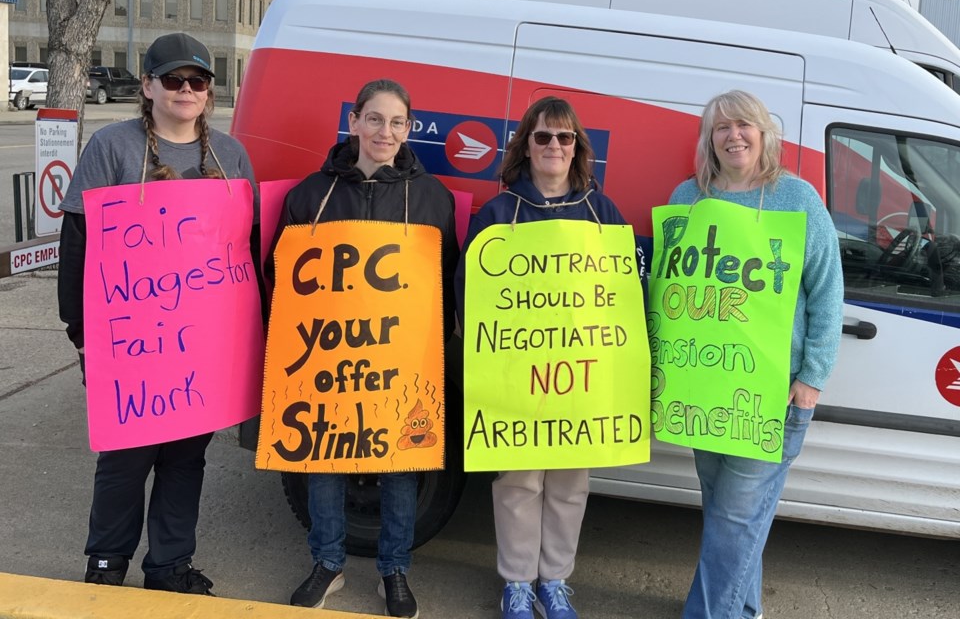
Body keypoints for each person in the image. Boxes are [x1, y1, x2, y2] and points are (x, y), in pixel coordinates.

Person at [57, 32, 259, 595]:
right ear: (147, 86)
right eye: (173, 80)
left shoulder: (230, 155)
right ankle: (106, 563)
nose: (186, 90)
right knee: (125, 459)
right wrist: (79, 332)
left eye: (197, 81)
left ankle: (169, 565)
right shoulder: (113, 147)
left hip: (201, 345)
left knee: (186, 459)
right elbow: (77, 240)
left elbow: (247, 249)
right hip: (128, 343)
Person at [274, 78, 458, 618]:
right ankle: (327, 563)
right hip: (327, 359)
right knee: (324, 461)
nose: (385, 131)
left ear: (408, 129)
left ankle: (394, 571)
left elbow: (446, 280)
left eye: (397, 122)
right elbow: (281, 277)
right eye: (374, 119)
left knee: (401, 466)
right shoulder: (311, 194)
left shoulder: (431, 197)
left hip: (400, 360)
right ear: (353, 122)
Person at [668, 90, 844, 619]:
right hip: (702, 386)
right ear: (708, 140)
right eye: (720, 127)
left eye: (744, 124)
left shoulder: (797, 199)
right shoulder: (688, 197)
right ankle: (743, 609)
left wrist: (812, 376)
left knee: (736, 519)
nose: (733, 135)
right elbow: (670, 290)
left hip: (771, 391)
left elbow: (828, 291)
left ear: (765, 133)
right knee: (724, 513)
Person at [456, 97, 633, 619]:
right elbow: (470, 294)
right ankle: (516, 582)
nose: (554, 146)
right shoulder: (498, 213)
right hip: (516, 376)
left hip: (582, 376)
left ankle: (554, 581)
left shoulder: (603, 214)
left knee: (569, 482)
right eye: (543, 137)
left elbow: (624, 297)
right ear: (526, 147)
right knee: (518, 480)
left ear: (578, 147)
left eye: (564, 137)